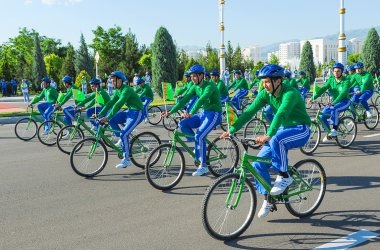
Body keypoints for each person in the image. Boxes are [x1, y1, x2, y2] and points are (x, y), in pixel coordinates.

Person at [221, 64, 311, 218]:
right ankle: (269, 199)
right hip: (283, 130)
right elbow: (249, 111)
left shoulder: (290, 93)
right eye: (263, 82)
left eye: (267, 82)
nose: (264, 85)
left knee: (277, 140)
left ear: (278, 81)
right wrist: (232, 129)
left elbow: (281, 114)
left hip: (301, 129)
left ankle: (284, 175)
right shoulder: (265, 94)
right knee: (257, 165)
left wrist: (269, 134)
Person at [162, 64, 222, 176]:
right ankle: (197, 146)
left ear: (201, 76)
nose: (193, 78)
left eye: (195, 76)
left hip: (214, 114)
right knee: (183, 124)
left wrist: (190, 113)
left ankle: (203, 166)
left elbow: (201, 100)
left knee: (199, 135)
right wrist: (170, 111)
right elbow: (184, 100)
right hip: (203, 113)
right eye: (191, 76)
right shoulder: (194, 87)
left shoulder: (210, 86)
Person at [97, 71, 144, 169]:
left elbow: (118, 104)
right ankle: (123, 139)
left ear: (120, 81)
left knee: (123, 133)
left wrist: (107, 116)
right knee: (112, 121)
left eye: (114, 81)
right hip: (129, 111)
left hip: (137, 113)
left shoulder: (126, 90)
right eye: (112, 81)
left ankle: (127, 160)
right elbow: (110, 103)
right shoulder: (118, 90)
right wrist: (100, 114)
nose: (112, 83)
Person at [309, 63, 351, 142]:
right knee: (322, 116)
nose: (336, 73)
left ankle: (334, 130)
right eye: (334, 71)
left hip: (345, 101)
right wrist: (312, 98)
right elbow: (323, 89)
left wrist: (334, 102)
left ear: (342, 72)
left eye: (338, 71)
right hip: (333, 102)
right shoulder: (331, 80)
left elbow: (342, 94)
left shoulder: (346, 81)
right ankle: (329, 134)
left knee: (335, 109)